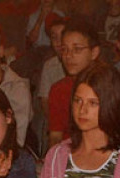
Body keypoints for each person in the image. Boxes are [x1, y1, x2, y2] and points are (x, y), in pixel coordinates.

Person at [48, 19, 102, 148]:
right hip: (67, 154)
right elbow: (55, 136)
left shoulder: (108, 86)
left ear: (94, 53)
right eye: (64, 50)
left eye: (77, 49)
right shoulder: (58, 89)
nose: (68, 56)